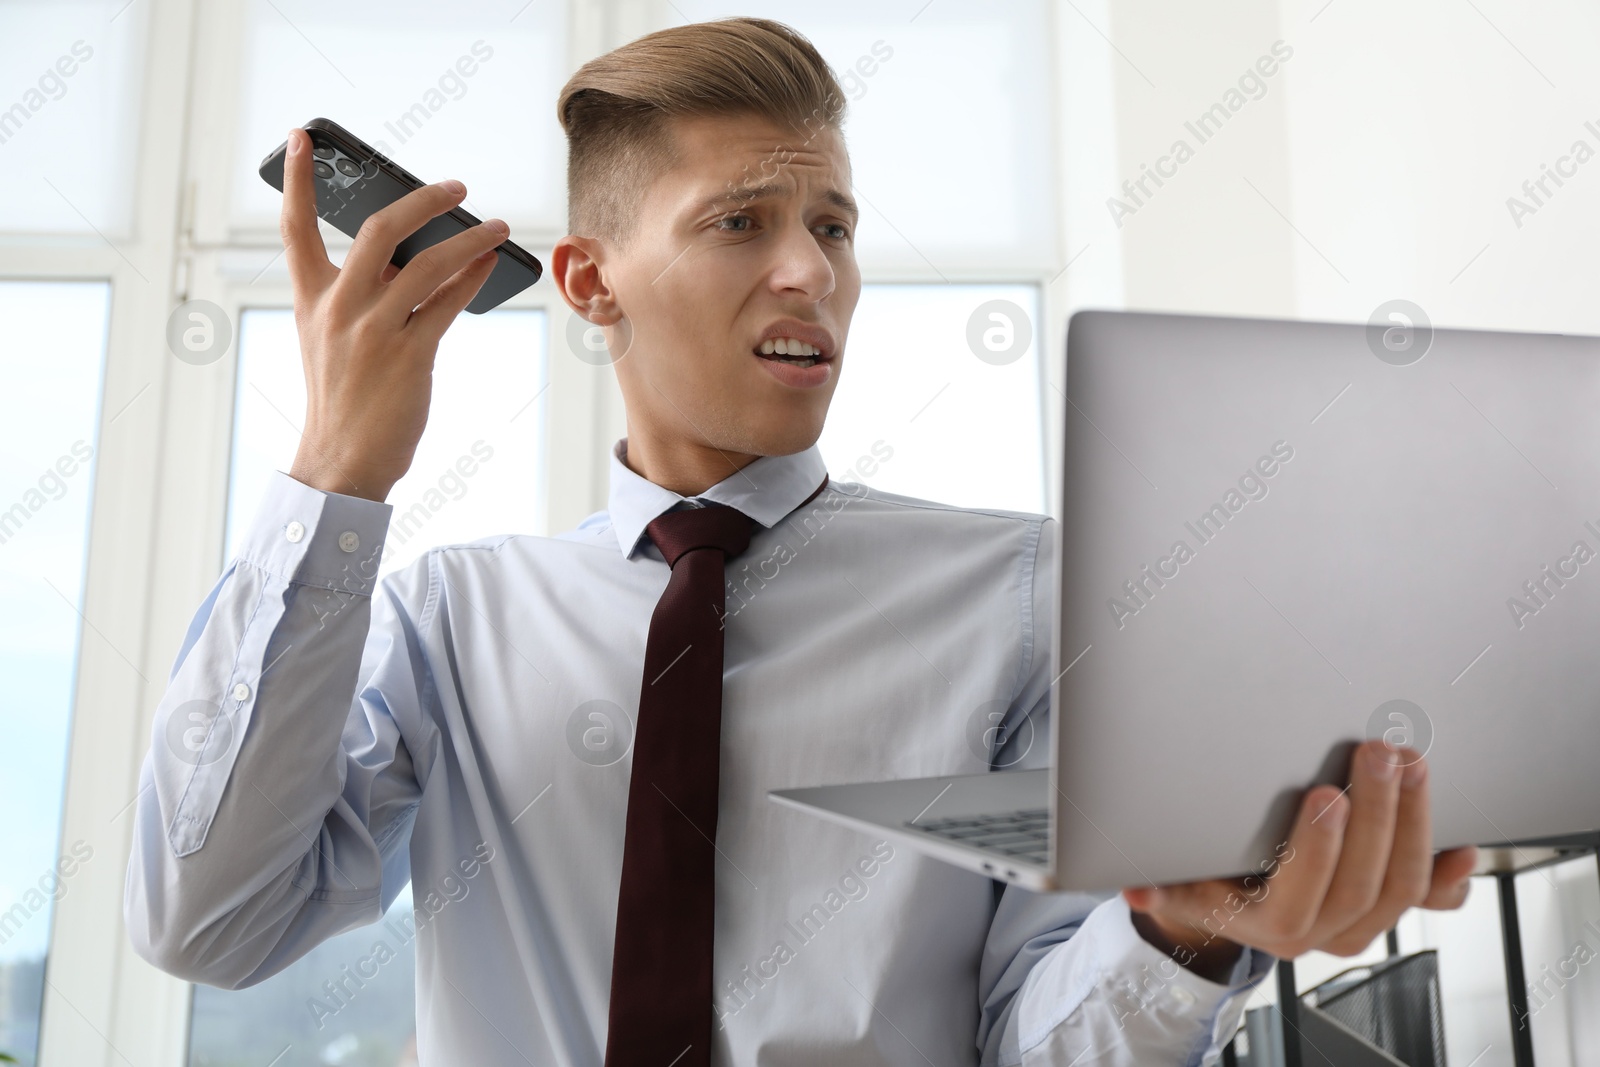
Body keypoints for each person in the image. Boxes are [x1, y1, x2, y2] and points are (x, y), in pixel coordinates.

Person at [124, 17, 1478, 1066]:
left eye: (831, 224)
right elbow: (211, 918)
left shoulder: (1025, 595)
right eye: (741, 223)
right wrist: (336, 480)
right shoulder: (450, 621)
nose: (811, 271)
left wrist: (1176, 931)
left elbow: (1034, 1042)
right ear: (592, 283)